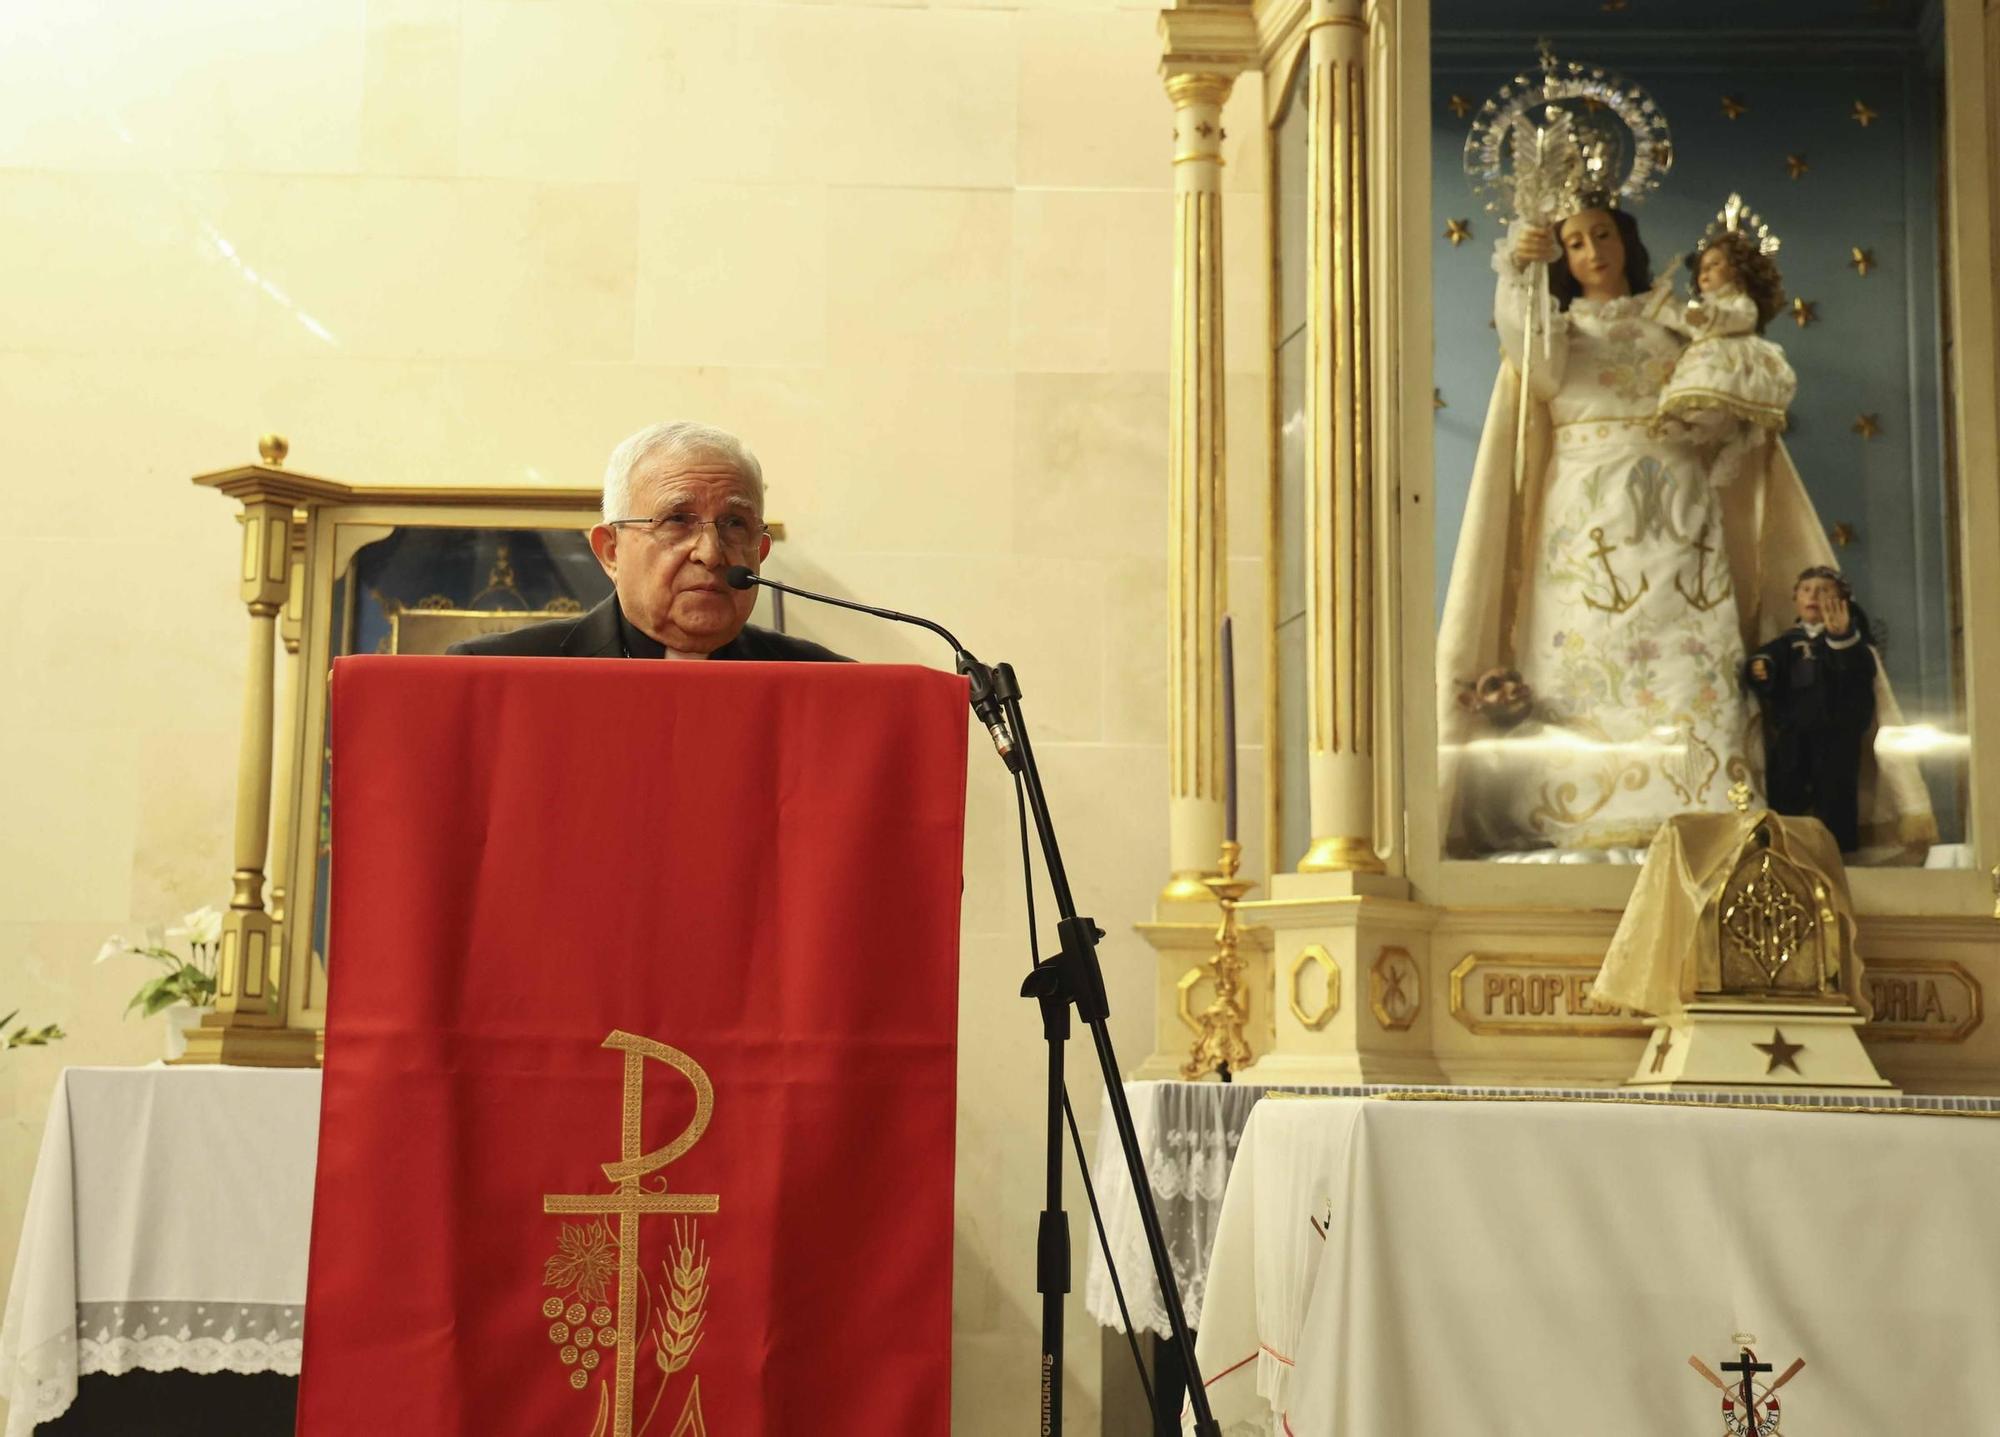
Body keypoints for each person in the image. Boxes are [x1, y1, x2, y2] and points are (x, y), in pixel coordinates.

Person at [1438, 197, 1758, 856]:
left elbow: (1726, 377)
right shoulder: (1560, 331)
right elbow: (1536, 360)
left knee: (1684, 654)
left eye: (1602, 235)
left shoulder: (1671, 318)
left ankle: (1700, 805)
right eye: (1575, 243)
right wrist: (1520, 273)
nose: (1592, 252)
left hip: (1676, 513)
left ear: (1625, 240)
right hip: (1588, 514)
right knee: (1585, 652)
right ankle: (1580, 810)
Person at [450, 421, 848, 661]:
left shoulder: (826, 687)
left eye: (734, 524)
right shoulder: (499, 671)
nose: (710, 554)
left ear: (759, 552)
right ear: (610, 551)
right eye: (676, 520)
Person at [1744, 568, 1878, 853]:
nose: (1814, 596)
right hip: (1795, 730)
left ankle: (1839, 851)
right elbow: (1768, 660)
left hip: (1836, 732)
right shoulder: (1788, 642)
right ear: (1795, 599)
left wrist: (1841, 638)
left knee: (1835, 793)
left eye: (1824, 590)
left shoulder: (1850, 641)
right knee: (1787, 789)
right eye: (1806, 589)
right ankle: (1786, 848)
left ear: (1842, 600)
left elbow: (1859, 672)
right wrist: (1761, 666)